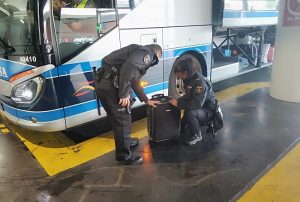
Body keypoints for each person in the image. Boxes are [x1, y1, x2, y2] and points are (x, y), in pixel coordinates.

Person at [95, 44, 162, 165]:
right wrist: (124, 93)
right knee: (123, 119)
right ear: (156, 54)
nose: (153, 63)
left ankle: (126, 141)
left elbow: (134, 79)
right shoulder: (148, 53)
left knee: (116, 118)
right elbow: (129, 66)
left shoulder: (135, 52)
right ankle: (124, 156)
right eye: (155, 61)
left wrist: (146, 100)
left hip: (103, 83)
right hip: (112, 86)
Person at [168, 58, 216, 145]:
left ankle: (197, 135)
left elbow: (197, 104)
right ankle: (183, 128)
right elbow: (188, 95)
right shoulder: (189, 79)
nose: (177, 77)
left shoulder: (199, 82)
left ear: (185, 72)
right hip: (200, 108)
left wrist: (178, 103)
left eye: (178, 74)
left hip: (208, 110)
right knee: (182, 126)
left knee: (190, 112)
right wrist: (177, 100)